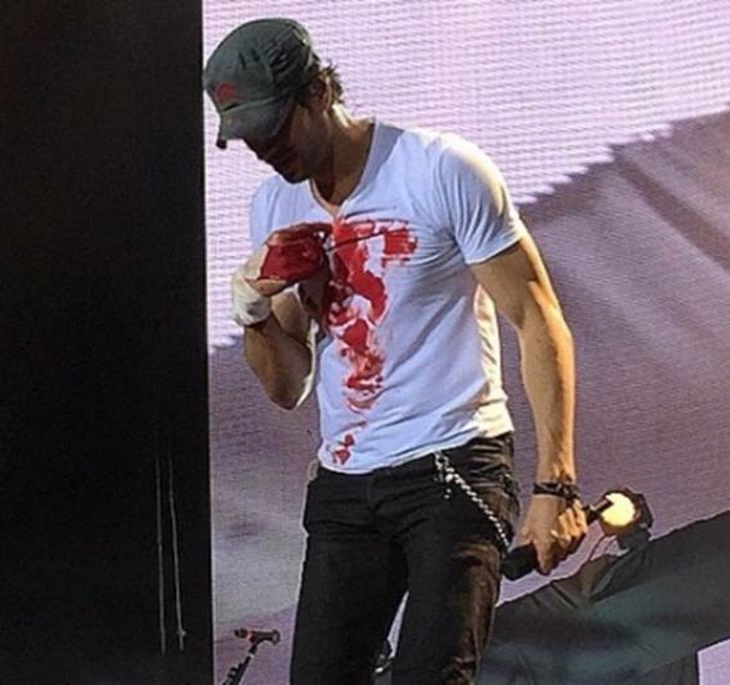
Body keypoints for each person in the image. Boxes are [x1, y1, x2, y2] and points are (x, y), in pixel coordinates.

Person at [204, 18, 587, 685]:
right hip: (347, 487)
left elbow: (538, 317)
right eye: (249, 138)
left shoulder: (439, 168)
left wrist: (555, 484)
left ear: (319, 91)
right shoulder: (276, 205)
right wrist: (252, 308)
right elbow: (288, 385)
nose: (265, 149)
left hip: (453, 463)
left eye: (273, 127)